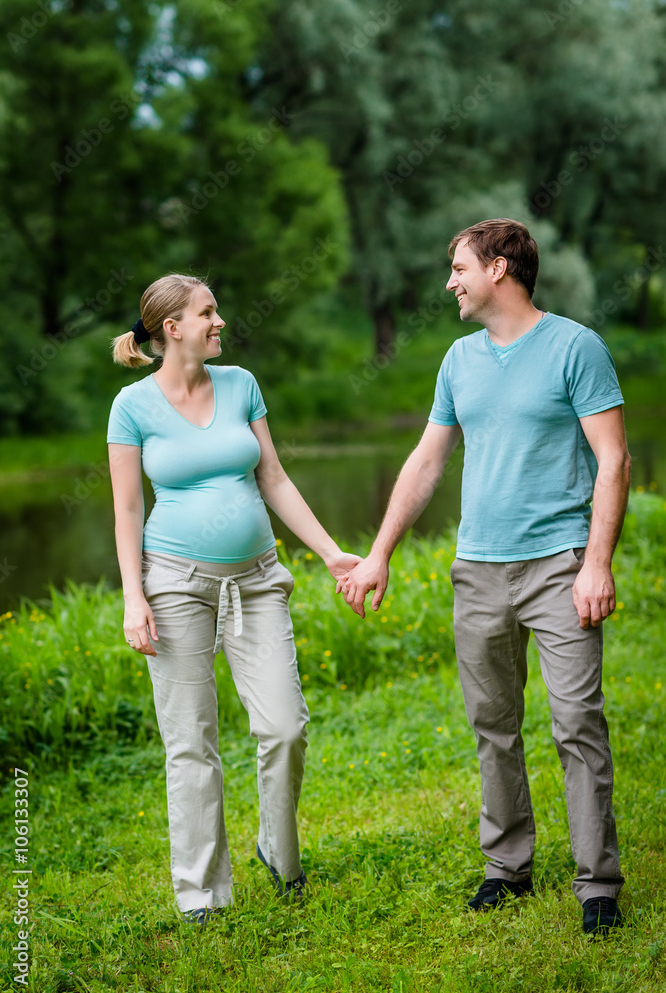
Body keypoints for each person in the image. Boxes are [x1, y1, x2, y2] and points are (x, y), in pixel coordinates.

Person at [340, 219, 630, 936]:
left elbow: (613, 460)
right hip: (477, 569)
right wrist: (378, 552)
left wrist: (595, 564)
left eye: (458, 268)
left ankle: (596, 884)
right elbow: (425, 462)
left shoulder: (574, 347)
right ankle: (507, 866)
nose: (450, 282)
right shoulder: (458, 361)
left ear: (499, 268)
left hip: (558, 565)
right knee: (491, 726)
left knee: (575, 725)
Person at [107, 273, 360, 926]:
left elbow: (272, 475)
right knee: (190, 741)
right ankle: (200, 894)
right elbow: (127, 509)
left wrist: (330, 552)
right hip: (173, 583)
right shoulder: (132, 407)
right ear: (173, 329)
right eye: (208, 312)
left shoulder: (241, 385)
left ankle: (277, 849)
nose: (220, 322)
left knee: (284, 725)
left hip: (257, 580)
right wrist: (134, 598)